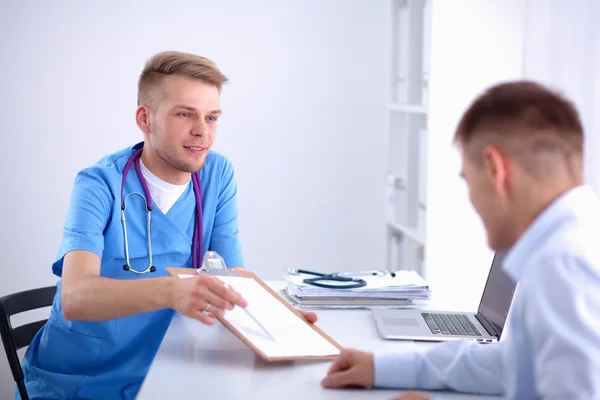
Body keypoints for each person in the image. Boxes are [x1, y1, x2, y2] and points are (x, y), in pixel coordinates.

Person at [18, 50, 317, 399]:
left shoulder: (217, 174)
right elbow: (75, 297)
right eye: (185, 114)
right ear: (145, 119)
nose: (201, 132)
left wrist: (273, 322)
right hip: (84, 378)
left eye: (212, 117)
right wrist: (175, 292)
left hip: (168, 366)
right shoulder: (98, 184)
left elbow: (231, 276)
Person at [321, 81, 600, 399]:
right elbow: (510, 364)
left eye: (468, 180)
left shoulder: (562, 265)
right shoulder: (573, 240)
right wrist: (381, 367)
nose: (470, 199)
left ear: (496, 169)